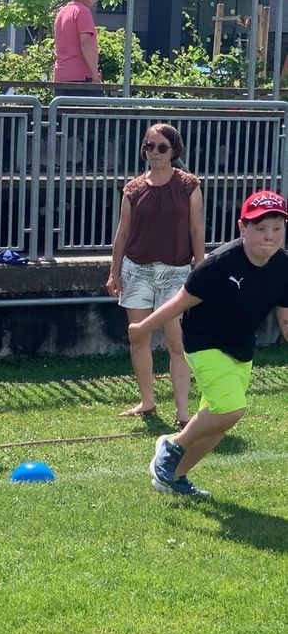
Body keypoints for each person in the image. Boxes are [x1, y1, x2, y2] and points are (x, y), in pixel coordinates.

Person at [130, 190, 288, 497]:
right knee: (231, 409)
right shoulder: (220, 263)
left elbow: (285, 319)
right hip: (204, 343)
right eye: (260, 228)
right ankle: (171, 446)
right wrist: (142, 327)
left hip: (240, 348)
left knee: (217, 422)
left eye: (277, 228)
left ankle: (173, 478)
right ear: (243, 228)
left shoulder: (284, 267)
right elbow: (179, 302)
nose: (269, 236)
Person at [107, 124, 205, 427]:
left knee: (176, 343)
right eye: (149, 147)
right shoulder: (133, 188)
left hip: (177, 273)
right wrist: (114, 272)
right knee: (138, 337)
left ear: (174, 150)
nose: (154, 153)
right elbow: (123, 233)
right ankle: (147, 402)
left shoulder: (189, 184)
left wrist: (200, 271)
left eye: (161, 147)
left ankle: (182, 413)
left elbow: (196, 230)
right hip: (136, 270)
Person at [53, 0, 102, 94]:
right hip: (81, 77)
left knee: (62, 111)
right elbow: (85, 44)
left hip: (61, 76)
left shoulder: (61, 12)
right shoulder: (82, 11)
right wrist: (95, 74)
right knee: (98, 111)